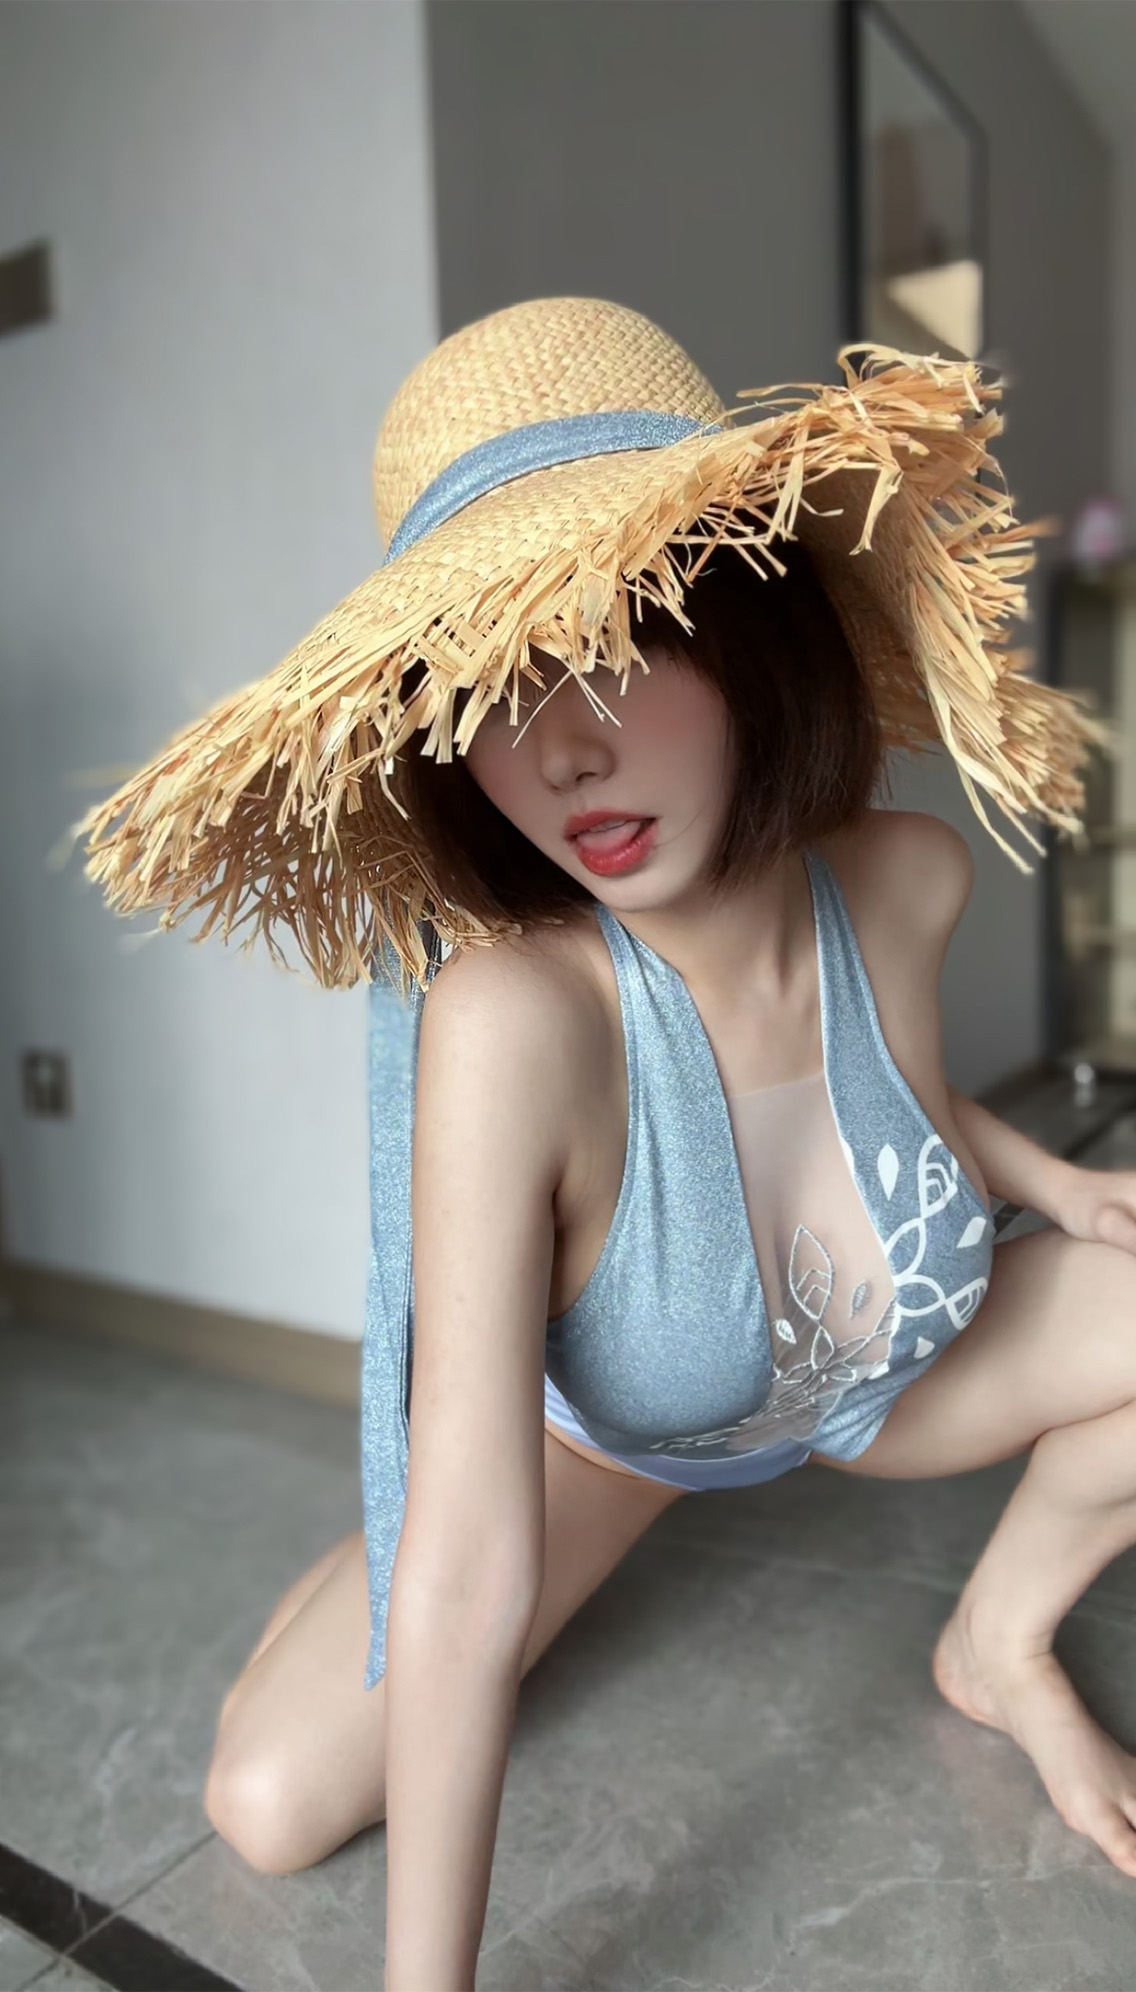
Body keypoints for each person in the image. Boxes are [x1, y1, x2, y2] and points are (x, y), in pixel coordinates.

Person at [84, 298, 1135, 1989]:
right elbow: (477, 1573)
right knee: (265, 1804)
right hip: (622, 1443)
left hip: (868, 1389)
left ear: (752, 631)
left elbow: (892, 1097)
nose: (566, 752)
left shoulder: (905, 880)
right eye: (493, 686)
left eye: (616, 640)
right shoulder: (515, 1021)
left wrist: (1057, 1184)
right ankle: (369, 1546)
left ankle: (998, 1645)